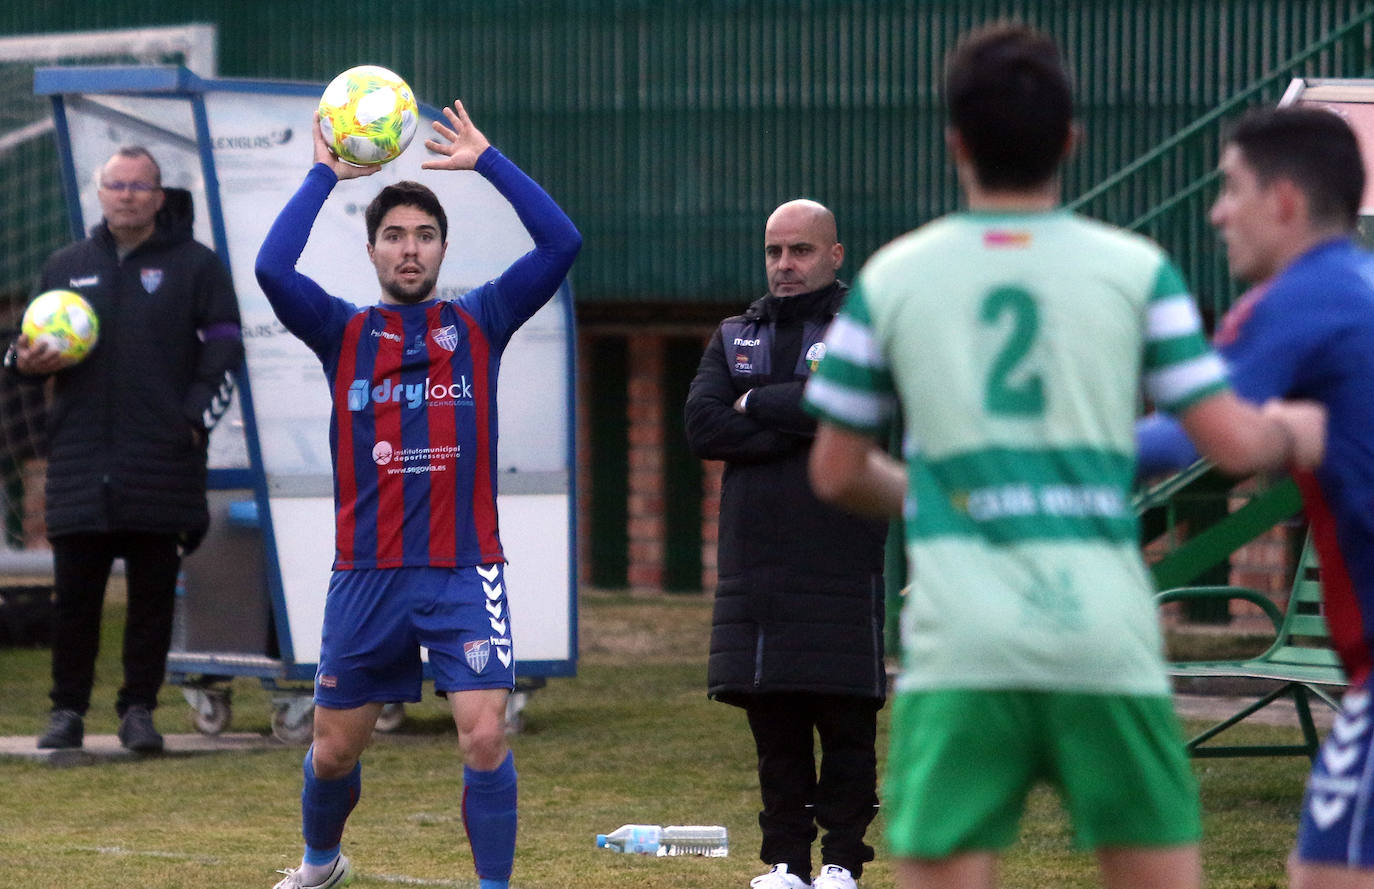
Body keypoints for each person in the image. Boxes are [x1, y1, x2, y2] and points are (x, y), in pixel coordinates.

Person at [800, 23, 1326, 889]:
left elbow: (836, 469)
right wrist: (1299, 429)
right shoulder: (1136, 269)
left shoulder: (894, 277)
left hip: (963, 645)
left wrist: (944, 495)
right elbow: (1231, 444)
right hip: (1101, 640)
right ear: (1073, 142)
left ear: (956, 143)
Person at [254, 99, 580, 889]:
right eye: (395, 235)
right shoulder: (341, 331)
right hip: (366, 573)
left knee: (482, 735)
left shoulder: (481, 320)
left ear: (442, 247)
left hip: (465, 569)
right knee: (333, 748)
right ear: (371, 250)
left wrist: (489, 161)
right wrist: (325, 173)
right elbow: (271, 268)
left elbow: (562, 242)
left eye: (425, 235)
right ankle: (320, 862)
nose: (410, 248)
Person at [1135, 106, 1374, 889]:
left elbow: (1190, 438)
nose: (1216, 211)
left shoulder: (1300, 299)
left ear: (1284, 202)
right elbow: (1281, 432)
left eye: (1230, 188)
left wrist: (1018, 463)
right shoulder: (1357, 292)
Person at [9, 145, 243, 753]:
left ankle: (139, 710)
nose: (128, 195)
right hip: (82, 460)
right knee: (76, 598)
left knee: (152, 596)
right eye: (117, 184)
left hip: (161, 460)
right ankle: (66, 712)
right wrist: (23, 361)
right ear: (100, 191)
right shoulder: (66, 265)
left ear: (159, 197)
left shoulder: (197, 266)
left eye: (141, 186)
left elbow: (225, 350)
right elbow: (23, 351)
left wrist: (190, 423)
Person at [684, 199, 888, 889]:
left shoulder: (864, 330)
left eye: (800, 250)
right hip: (756, 571)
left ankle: (841, 861)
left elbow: (845, 406)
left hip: (839, 561)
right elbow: (702, 426)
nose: (785, 264)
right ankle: (784, 864)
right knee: (775, 729)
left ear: (834, 255)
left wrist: (754, 403)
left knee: (845, 724)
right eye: (775, 251)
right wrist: (795, 414)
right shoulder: (734, 333)